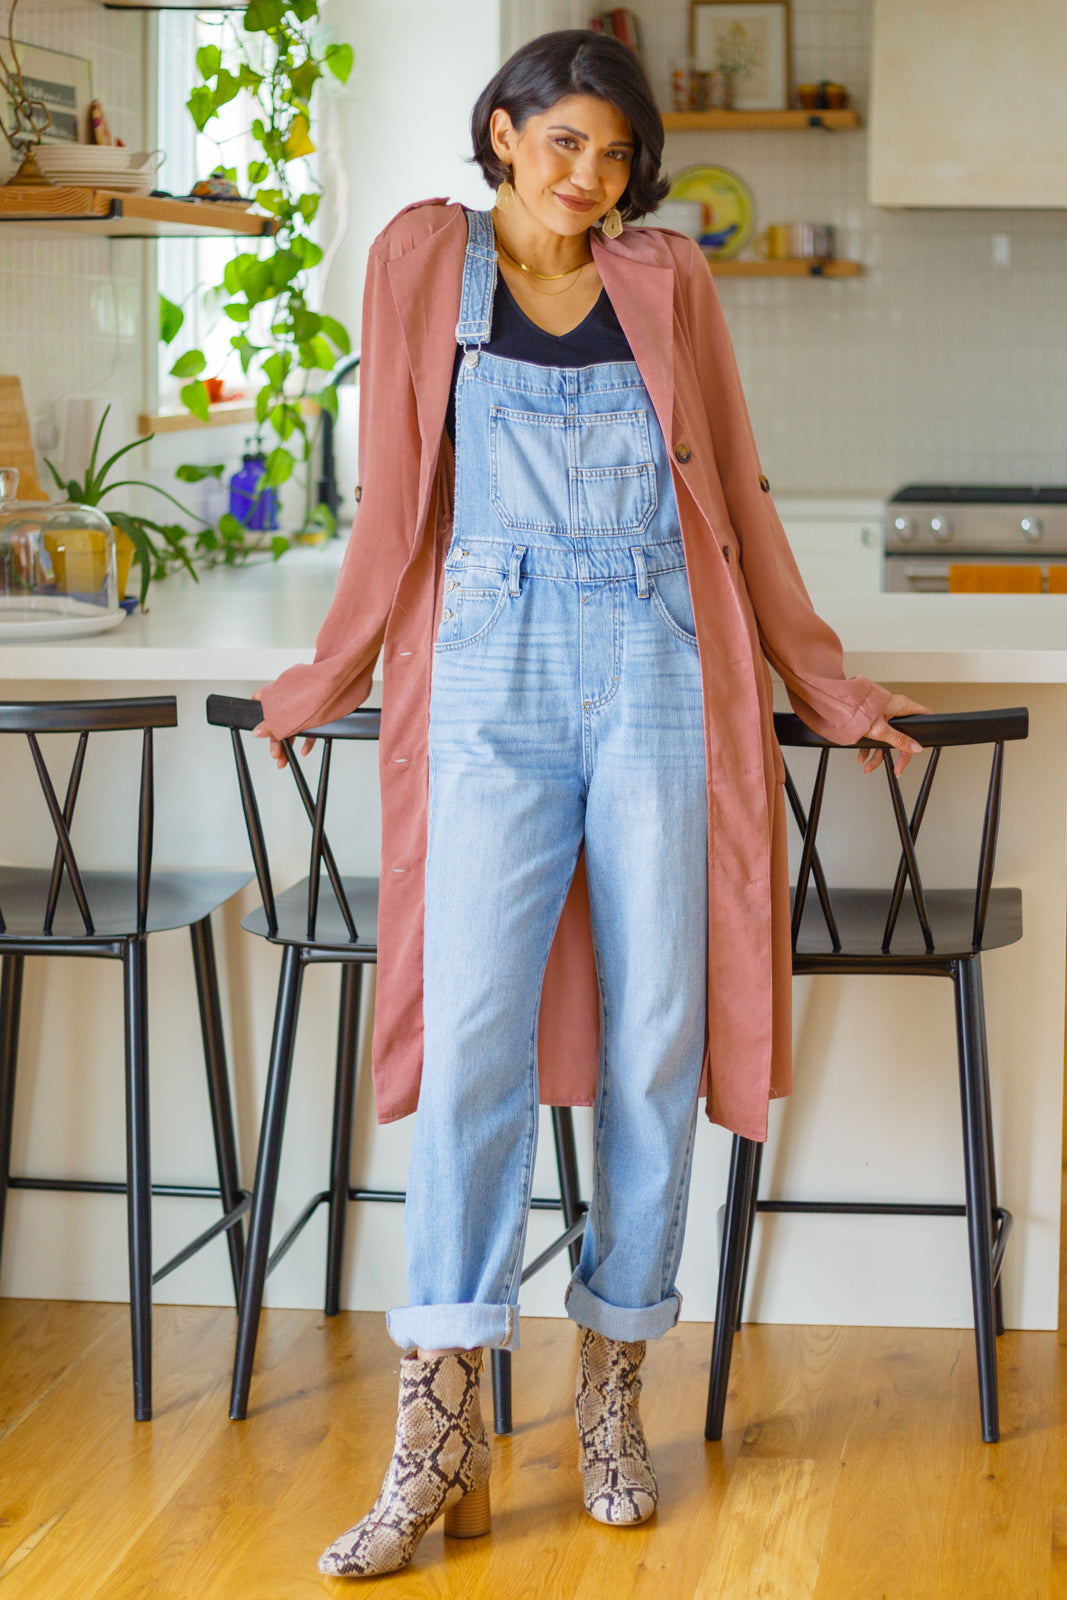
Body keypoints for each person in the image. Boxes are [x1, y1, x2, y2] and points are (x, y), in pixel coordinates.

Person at [253, 28, 927, 1578]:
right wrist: (329, 668)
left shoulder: (672, 282)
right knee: (477, 1031)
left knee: (656, 1036)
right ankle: (435, 1432)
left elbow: (736, 492)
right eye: (564, 144)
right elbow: (389, 500)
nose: (591, 178)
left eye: (615, 155)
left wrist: (827, 687)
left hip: (658, 663)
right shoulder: (424, 258)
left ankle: (613, 1388)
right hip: (487, 669)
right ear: (501, 133)